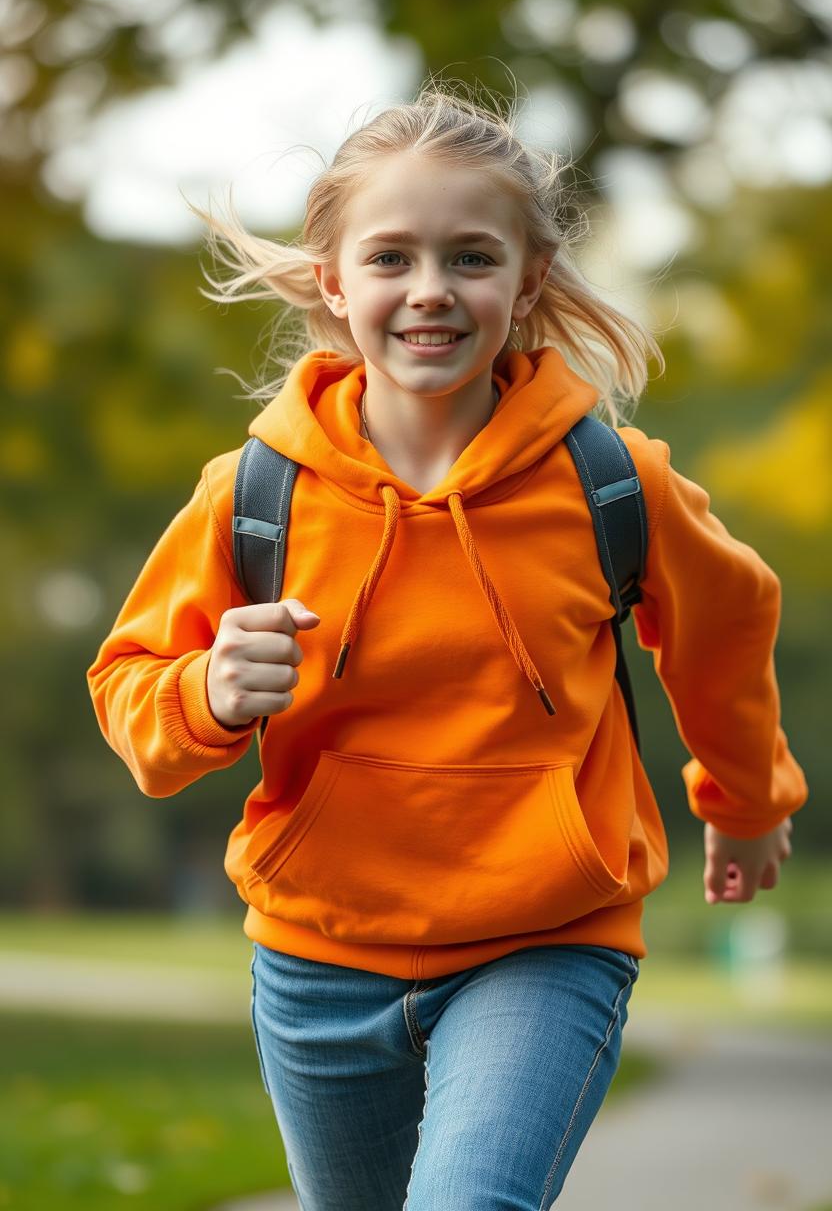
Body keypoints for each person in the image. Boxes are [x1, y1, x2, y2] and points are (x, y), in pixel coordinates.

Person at [86, 76, 807, 1210]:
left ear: (528, 284)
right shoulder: (255, 494)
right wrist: (209, 692)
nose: (431, 290)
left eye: (471, 257)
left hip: (546, 939)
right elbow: (132, 696)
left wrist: (747, 796)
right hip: (318, 954)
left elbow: (728, 619)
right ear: (334, 281)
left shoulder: (611, 480)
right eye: (391, 258)